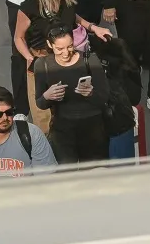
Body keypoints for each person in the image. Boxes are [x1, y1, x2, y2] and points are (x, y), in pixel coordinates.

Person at [30, 25, 110, 164]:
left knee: (94, 173)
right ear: (50, 45)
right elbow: (40, 103)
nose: (66, 53)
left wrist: (91, 93)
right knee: (68, 174)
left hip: (93, 127)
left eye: (70, 46)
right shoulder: (42, 65)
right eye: (59, 49)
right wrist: (47, 96)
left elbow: (104, 96)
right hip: (62, 129)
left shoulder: (89, 59)